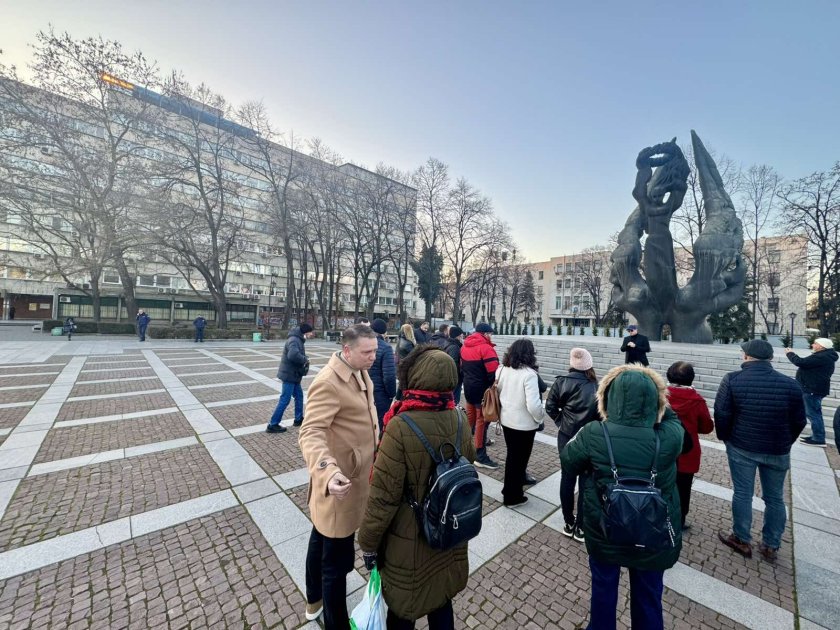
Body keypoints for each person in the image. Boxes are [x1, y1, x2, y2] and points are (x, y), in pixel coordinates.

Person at [359, 346, 474, 630]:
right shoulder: (460, 417)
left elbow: (383, 498)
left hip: (409, 538)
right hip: (448, 530)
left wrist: (368, 543)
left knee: (403, 609)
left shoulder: (400, 425)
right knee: (441, 599)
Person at [561, 364, 684, 630]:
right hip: (653, 532)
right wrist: (656, 399)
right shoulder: (669, 437)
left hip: (605, 528)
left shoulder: (595, 433)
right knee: (649, 597)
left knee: (603, 592)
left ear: (607, 399)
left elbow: (568, 461)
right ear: (656, 401)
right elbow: (672, 418)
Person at [298, 324, 379, 627]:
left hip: (354, 482)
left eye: (375, 350)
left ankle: (314, 601)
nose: (373, 357)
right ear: (347, 350)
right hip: (339, 486)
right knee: (337, 563)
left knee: (320, 539)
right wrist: (328, 471)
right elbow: (310, 432)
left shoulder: (358, 370)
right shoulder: (328, 382)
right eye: (367, 352)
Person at [714, 339, 806, 561]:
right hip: (777, 448)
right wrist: (786, 441)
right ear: (771, 358)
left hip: (742, 446)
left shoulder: (733, 379)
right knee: (775, 498)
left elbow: (722, 413)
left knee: (743, 493)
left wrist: (725, 437)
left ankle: (741, 538)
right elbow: (799, 421)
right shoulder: (791, 384)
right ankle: (771, 544)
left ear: (746, 356)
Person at [545, 347, 599, 542]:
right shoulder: (596, 386)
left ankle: (568, 522)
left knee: (567, 479)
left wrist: (561, 422)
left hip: (566, 436)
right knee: (586, 482)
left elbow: (550, 406)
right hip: (588, 438)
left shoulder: (561, 382)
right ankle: (581, 527)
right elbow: (602, 416)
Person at [495, 339, 546, 507]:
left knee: (513, 457)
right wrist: (540, 417)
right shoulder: (529, 374)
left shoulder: (502, 369)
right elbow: (533, 405)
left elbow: (499, 392)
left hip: (507, 419)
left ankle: (511, 489)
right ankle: (512, 496)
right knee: (519, 460)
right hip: (524, 425)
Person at [666, 361, 713, 530]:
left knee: (660, 483)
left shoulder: (660, 396)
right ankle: (679, 520)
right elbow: (706, 427)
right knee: (684, 487)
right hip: (687, 450)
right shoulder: (697, 401)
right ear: (691, 378)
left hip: (663, 448)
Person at [785, 337, 838, 447]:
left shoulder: (822, 356)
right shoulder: (825, 355)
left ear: (821, 346)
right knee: (813, 413)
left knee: (813, 414)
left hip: (812, 389)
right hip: (813, 388)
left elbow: (800, 362)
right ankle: (816, 436)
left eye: (815, 343)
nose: (812, 345)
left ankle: (818, 438)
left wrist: (790, 353)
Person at [461, 322, 500, 469]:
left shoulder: (464, 346)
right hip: (482, 390)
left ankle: (464, 448)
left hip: (468, 388)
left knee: (470, 420)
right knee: (482, 422)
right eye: (490, 334)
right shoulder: (486, 348)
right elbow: (493, 373)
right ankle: (480, 455)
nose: (491, 336)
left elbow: (462, 367)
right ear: (485, 334)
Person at [266, 323, 315, 433]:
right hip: (289, 375)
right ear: (305, 332)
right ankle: (273, 424)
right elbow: (292, 355)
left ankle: (298, 419)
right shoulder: (294, 340)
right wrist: (305, 359)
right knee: (285, 399)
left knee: (299, 396)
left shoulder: (298, 339)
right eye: (310, 332)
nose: (311, 334)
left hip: (294, 375)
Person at [369, 318, 397, 435]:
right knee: (379, 426)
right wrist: (392, 394)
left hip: (364, 391)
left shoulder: (363, 344)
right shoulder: (386, 348)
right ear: (384, 332)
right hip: (380, 394)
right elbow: (389, 376)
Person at [443, 327, 465, 405]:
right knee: (454, 400)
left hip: (451, 378)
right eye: (462, 336)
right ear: (458, 336)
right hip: (455, 379)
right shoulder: (454, 347)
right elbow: (454, 364)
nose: (463, 338)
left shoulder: (448, 344)